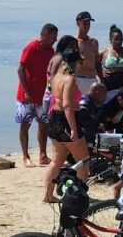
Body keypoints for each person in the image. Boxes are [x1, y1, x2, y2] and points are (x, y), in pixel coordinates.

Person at [43, 48, 88, 202]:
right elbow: (68, 105)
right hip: (66, 121)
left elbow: (58, 99)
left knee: (57, 161)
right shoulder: (70, 79)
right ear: (75, 62)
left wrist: (74, 105)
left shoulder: (56, 77)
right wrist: (74, 129)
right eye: (79, 61)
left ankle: (47, 195)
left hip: (54, 118)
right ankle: (80, 196)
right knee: (83, 161)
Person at [16, 23, 57, 168]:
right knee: (25, 124)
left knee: (43, 124)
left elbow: (50, 72)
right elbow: (20, 70)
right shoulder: (31, 47)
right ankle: (25, 156)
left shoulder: (50, 51)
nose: (55, 40)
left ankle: (42, 155)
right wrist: (27, 91)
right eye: (53, 37)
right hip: (26, 94)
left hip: (43, 94)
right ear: (45, 35)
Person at [75, 11, 102, 95]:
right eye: (84, 23)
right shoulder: (73, 42)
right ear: (78, 24)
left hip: (92, 79)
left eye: (89, 23)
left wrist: (102, 79)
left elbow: (97, 63)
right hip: (79, 79)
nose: (87, 25)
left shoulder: (94, 42)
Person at [78, 82, 107, 147]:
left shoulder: (95, 104)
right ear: (97, 93)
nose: (105, 97)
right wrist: (96, 124)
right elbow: (82, 115)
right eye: (104, 94)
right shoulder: (86, 101)